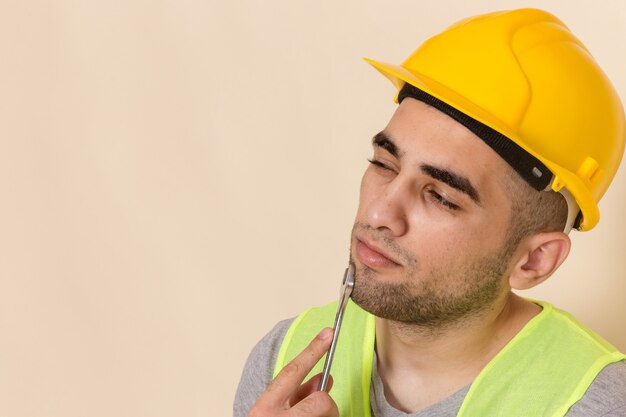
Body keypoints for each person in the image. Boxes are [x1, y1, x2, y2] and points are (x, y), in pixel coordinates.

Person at [234, 8, 626, 417]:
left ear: (533, 260)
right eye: (384, 164)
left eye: (440, 196)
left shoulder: (593, 405)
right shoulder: (283, 362)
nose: (381, 212)